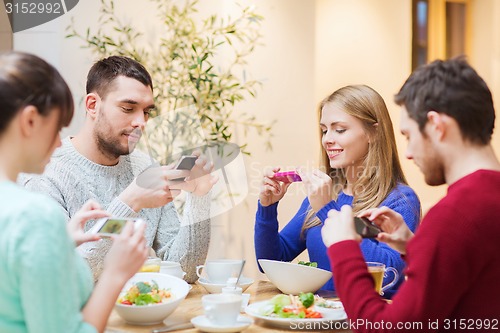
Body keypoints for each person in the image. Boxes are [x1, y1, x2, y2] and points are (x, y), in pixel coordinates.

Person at [322, 58, 500, 332]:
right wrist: (415, 247)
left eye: (408, 135)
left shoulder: (455, 215)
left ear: (436, 126)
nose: (407, 152)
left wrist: (343, 248)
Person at [21, 56, 217, 282]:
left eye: (146, 112)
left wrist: (199, 197)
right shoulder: (44, 173)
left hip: (140, 314)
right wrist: (129, 202)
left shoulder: (145, 167)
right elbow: (65, 279)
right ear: (93, 105)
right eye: (128, 108)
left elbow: (185, 271)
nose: (141, 122)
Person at [0, 51, 148, 333]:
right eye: (56, 129)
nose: (59, 144)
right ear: (30, 121)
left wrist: (62, 243)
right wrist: (115, 274)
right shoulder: (35, 215)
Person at [255, 85, 420, 296]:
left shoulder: (400, 200)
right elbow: (271, 261)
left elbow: (387, 273)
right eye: (324, 130)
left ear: (373, 133)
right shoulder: (325, 195)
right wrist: (267, 208)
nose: (327, 139)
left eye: (339, 129)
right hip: (322, 320)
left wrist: (327, 210)